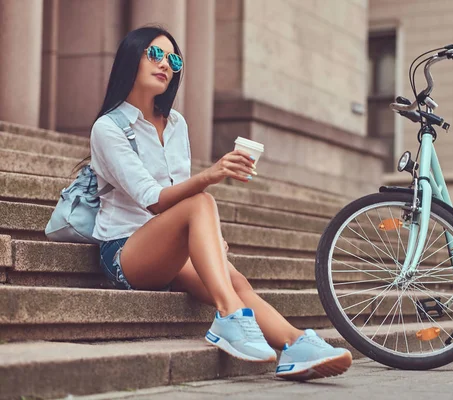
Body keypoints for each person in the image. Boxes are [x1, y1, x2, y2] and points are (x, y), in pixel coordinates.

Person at [89, 26, 352, 380]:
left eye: (174, 59)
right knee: (201, 202)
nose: (165, 64)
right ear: (129, 60)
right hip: (124, 252)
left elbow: (178, 189)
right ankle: (229, 318)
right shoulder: (108, 128)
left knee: (236, 280)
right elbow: (153, 200)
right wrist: (211, 175)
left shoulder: (176, 123)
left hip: (165, 245)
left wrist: (207, 238)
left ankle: (294, 344)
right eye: (155, 54)